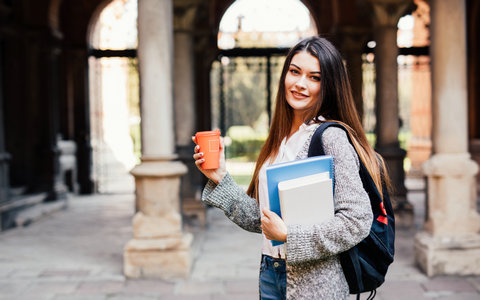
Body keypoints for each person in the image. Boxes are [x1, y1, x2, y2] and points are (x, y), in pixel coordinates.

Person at [192, 36, 390, 300]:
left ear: (329, 85)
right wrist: (220, 178)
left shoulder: (331, 137)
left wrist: (290, 235)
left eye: (314, 77)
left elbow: (356, 220)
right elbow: (261, 220)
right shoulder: (281, 141)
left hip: (316, 284)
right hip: (270, 272)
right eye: (294, 72)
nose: (300, 83)